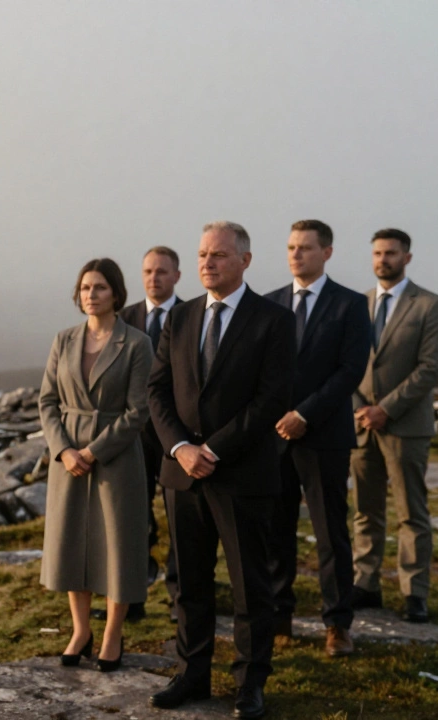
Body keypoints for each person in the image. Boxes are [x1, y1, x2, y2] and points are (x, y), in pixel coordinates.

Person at [147, 222, 294, 719]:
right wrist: (181, 448)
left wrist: (213, 449)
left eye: (220, 255)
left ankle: (250, 682)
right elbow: (157, 391)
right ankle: (192, 673)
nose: (209, 263)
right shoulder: (181, 316)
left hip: (242, 475)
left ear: (246, 261)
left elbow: (271, 397)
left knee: (251, 585)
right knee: (189, 583)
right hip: (183, 475)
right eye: (203, 254)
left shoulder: (274, 320)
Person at [39, 257, 153, 673]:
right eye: (85, 287)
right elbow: (47, 400)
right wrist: (65, 451)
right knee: (74, 547)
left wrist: (93, 452)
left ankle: (112, 635)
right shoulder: (63, 339)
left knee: (117, 549)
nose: (91, 294)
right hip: (66, 462)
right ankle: (80, 630)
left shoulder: (137, 343)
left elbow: (138, 411)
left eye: (100, 287)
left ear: (116, 294)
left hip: (115, 462)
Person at [264, 220, 370, 657]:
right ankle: (279, 615)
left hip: (324, 435)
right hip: (274, 438)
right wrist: (279, 418)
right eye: (291, 247)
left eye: (305, 248)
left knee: (330, 533)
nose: (295, 255)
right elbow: (262, 373)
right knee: (276, 530)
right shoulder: (269, 305)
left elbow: (350, 371)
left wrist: (304, 414)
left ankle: (337, 623)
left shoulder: (349, 304)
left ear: (326, 252)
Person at [351, 228, 438, 624]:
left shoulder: (430, 305)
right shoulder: (358, 304)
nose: (382, 260)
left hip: (406, 426)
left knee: (411, 512)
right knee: (365, 510)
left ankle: (414, 593)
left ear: (406, 257)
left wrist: (386, 409)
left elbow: (431, 369)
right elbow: (349, 363)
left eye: (390, 253)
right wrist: (361, 408)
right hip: (361, 426)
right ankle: (366, 583)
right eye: (377, 253)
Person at [119, 245, 185, 622]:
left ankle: (179, 597)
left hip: (178, 435)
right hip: (134, 436)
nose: (153, 278)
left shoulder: (192, 315)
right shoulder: (124, 319)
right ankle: (134, 596)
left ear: (177, 275)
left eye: (162, 271)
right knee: (134, 519)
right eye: (147, 271)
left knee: (180, 521)